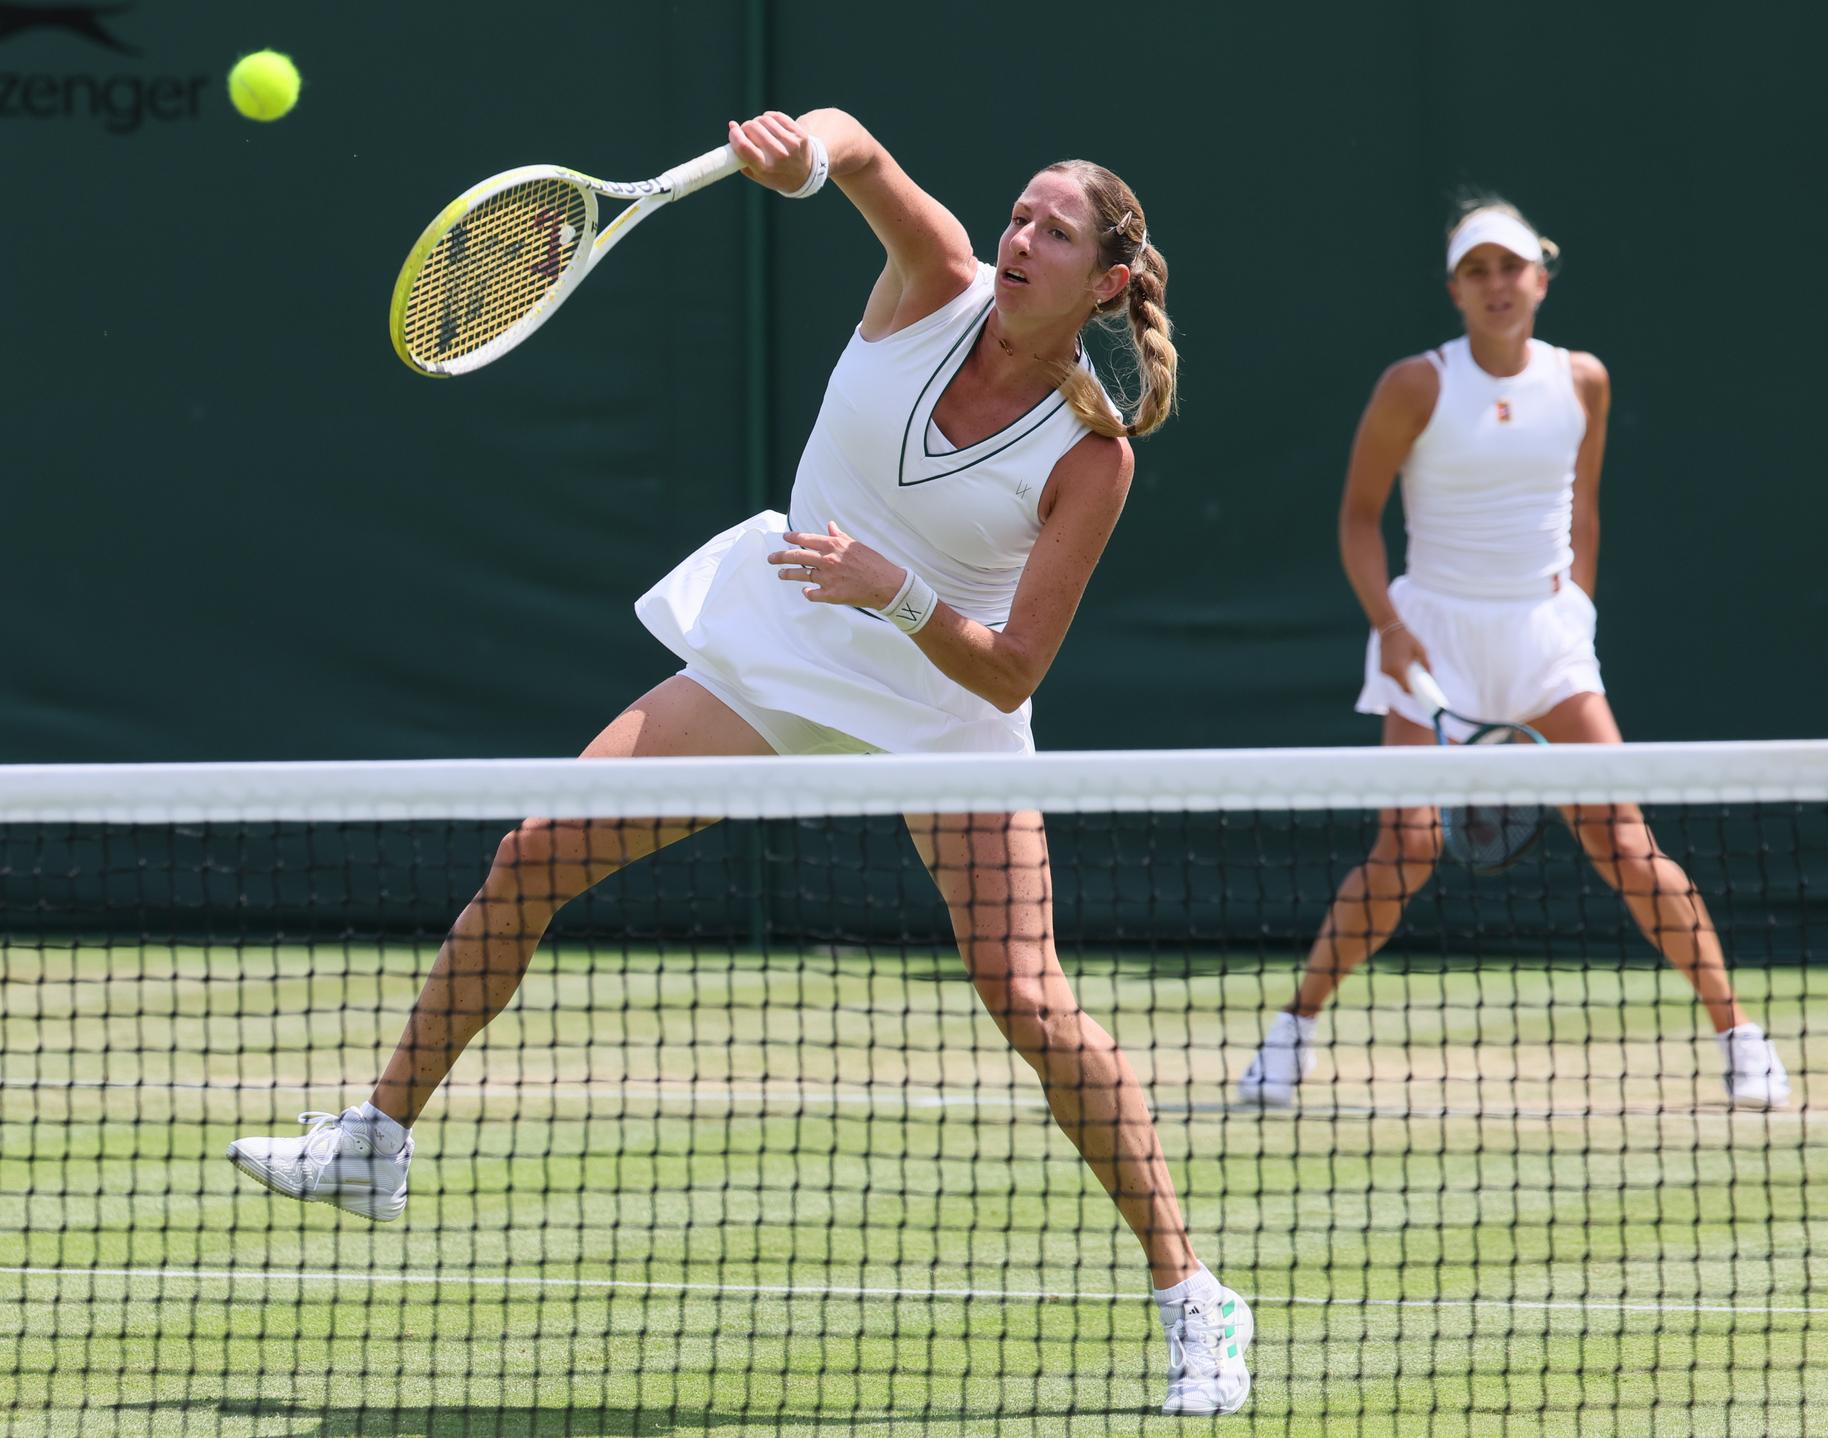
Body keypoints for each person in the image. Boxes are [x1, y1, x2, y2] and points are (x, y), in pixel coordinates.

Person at [228, 109, 1251, 1416]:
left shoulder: (1090, 457)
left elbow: (1010, 669)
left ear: (1106, 281)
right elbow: (859, 150)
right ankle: (375, 1137)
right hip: (782, 637)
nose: (1018, 238)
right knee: (538, 852)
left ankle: (1190, 1290)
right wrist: (803, 153)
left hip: (941, 700)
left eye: (1053, 230)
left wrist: (894, 594)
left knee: (1028, 1000)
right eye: (1018, 215)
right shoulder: (930, 280)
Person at [1239, 199, 1791, 1114]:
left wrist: (1575, 610)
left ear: (1540, 275)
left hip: (1545, 640)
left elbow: (1584, 511)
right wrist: (1388, 620)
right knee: (1405, 848)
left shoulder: (1583, 381)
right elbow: (1358, 518)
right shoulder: (1415, 385)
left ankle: (1739, 1034)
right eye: (1476, 271)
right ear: (1456, 289)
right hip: (1431, 640)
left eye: (1511, 267)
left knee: (1626, 843)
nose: (1497, 285)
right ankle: (1293, 1028)